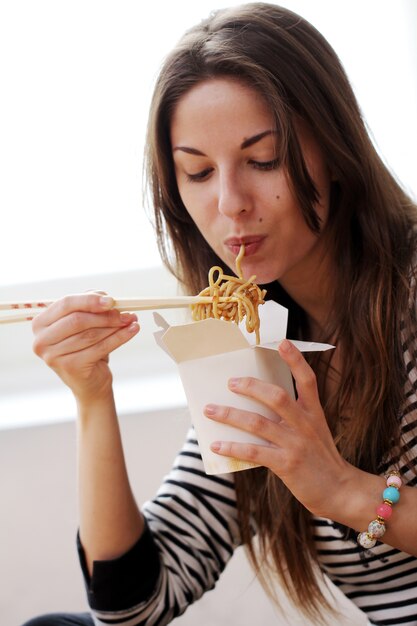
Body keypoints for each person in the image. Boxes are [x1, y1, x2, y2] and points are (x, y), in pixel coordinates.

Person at [23, 3, 417, 626]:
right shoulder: (252, 341)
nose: (230, 203)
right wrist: (92, 396)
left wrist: (342, 489)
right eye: (198, 171)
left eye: (262, 160)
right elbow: (134, 608)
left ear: (335, 151)